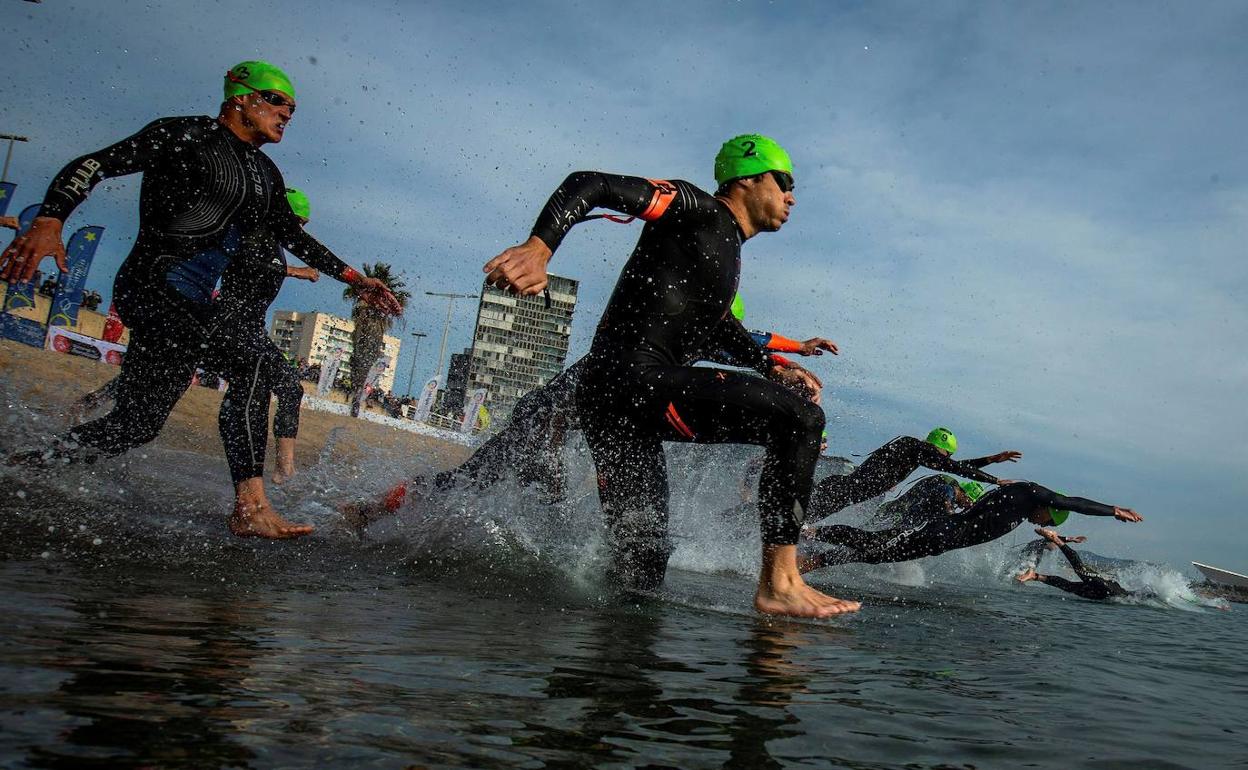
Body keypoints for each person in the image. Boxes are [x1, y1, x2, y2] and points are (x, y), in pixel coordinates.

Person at [1, 61, 400, 539]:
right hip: (153, 284)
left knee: (137, 423)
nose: (287, 113)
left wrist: (357, 279)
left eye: (293, 108)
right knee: (250, 365)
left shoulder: (265, 173)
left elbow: (291, 234)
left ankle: (28, 464)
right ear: (240, 97)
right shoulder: (185, 135)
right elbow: (95, 164)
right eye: (276, 101)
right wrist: (50, 220)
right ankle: (250, 507)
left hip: (191, 303)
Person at [481, 134, 858, 618]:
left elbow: (720, 326)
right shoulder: (696, 208)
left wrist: (772, 366)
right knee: (801, 421)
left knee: (643, 561)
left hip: (614, 404)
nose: (791, 196)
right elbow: (590, 184)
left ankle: (607, 667)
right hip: (633, 381)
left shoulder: (724, 252)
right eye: (784, 181)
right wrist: (540, 248)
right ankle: (780, 581)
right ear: (747, 177)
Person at [347, 297, 838, 523]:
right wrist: (788, 355)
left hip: (556, 425)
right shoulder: (655, 340)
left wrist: (797, 349)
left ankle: (401, 511)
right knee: (486, 480)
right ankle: (384, 506)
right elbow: (752, 344)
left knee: (533, 498)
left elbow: (751, 344)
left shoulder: (675, 339)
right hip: (544, 420)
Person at [802, 481, 1142, 572]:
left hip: (941, 539)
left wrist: (1064, 537)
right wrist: (1111, 510)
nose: (1040, 523)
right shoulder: (1027, 493)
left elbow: (1051, 524)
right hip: (941, 532)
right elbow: (1070, 503)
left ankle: (814, 558)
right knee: (874, 545)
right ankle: (812, 535)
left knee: (875, 553)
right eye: (1047, 517)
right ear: (1046, 507)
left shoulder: (1021, 508)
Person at [806, 427, 1021, 520]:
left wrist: (990, 460)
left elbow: (956, 465)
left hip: (842, 493)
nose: (945, 460)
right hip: (840, 491)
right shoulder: (918, 448)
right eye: (946, 455)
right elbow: (955, 467)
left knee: (798, 518)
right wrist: (995, 480)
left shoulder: (914, 451)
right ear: (939, 447)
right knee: (796, 517)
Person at [1016, 528, 1131, 600]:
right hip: (1107, 590)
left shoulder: (1129, 598)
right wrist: (1062, 539)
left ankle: (1034, 576)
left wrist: (1071, 539)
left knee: (1069, 586)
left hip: (1103, 595)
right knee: (1079, 569)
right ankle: (1055, 539)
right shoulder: (1036, 545)